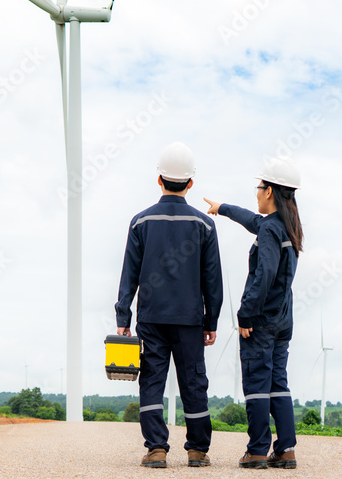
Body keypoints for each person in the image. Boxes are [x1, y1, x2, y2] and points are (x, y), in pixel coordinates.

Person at [115, 142, 223, 469]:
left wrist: (124, 316)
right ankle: (197, 450)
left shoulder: (140, 222)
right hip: (190, 320)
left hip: (151, 319)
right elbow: (212, 281)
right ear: (191, 183)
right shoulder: (204, 225)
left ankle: (157, 449)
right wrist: (211, 321)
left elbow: (128, 274)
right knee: (194, 382)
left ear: (159, 178)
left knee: (151, 382)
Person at [204, 157, 303, 470]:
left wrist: (245, 315)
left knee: (257, 385)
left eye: (259, 188)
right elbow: (251, 219)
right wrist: (222, 208)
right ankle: (286, 449)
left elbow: (264, 275)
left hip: (260, 322)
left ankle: (258, 450)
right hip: (282, 320)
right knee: (278, 384)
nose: (256, 193)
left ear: (270, 191)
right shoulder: (284, 226)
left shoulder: (272, 231)